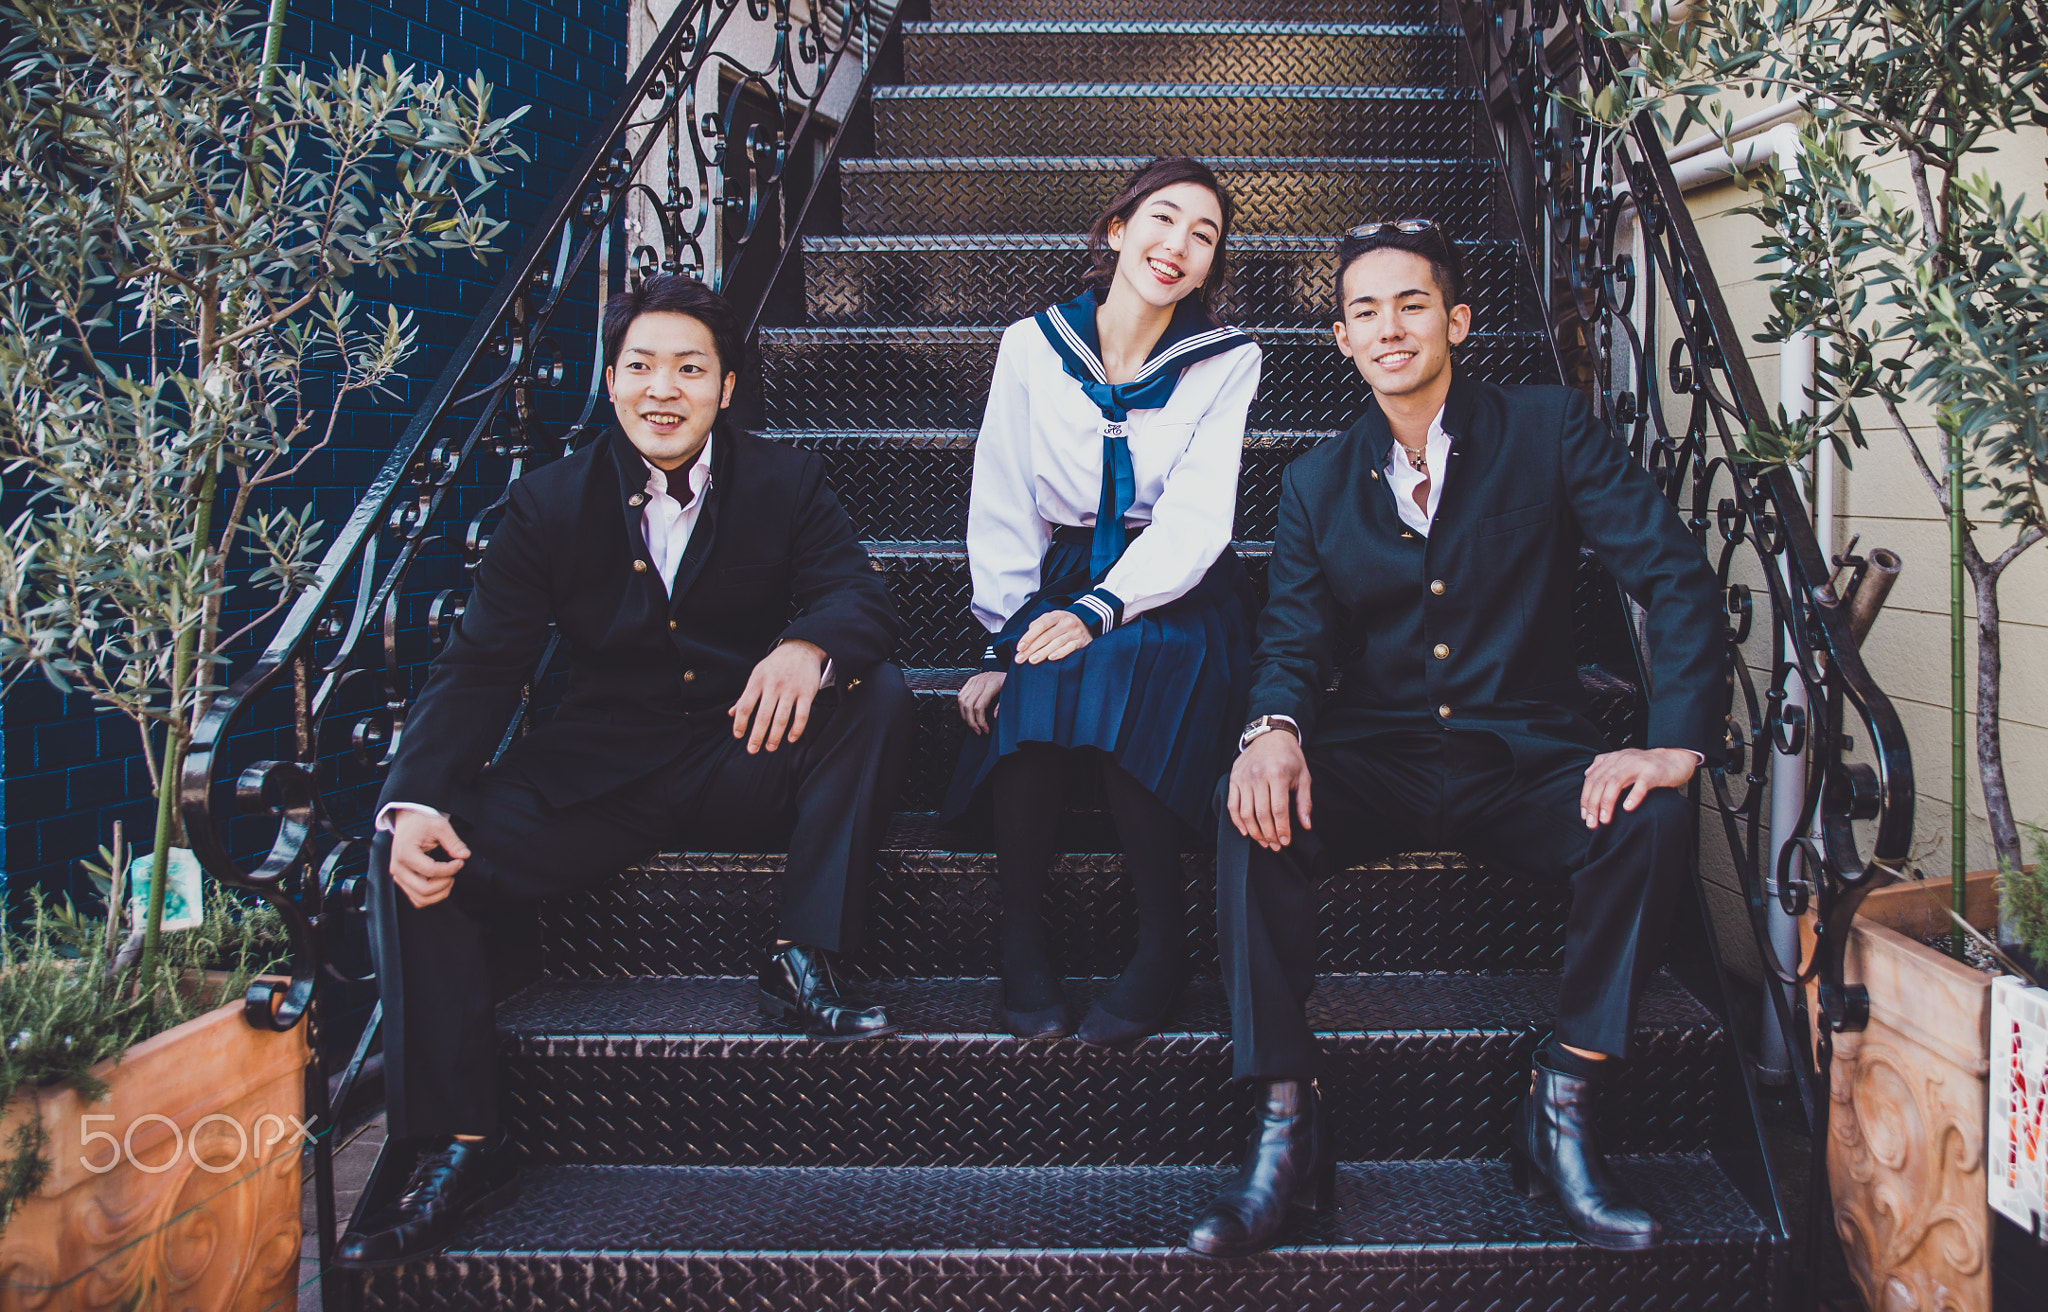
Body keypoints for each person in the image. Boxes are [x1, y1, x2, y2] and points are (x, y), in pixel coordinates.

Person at [339, 275, 911, 1266]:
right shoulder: (547, 502)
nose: (663, 388)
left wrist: (805, 646)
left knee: (879, 688)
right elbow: (479, 665)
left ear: (726, 387)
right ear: (609, 382)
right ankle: (456, 1139)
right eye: (641, 366)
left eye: (689, 368)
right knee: (411, 842)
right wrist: (418, 792)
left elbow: (859, 597)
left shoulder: (786, 480)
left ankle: (804, 950)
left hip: (745, 761)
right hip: (593, 783)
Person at [1186, 221, 1723, 1259]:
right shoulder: (1311, 483)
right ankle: (1286, 1125)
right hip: (1378, 757)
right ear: (1340, 340)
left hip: (1523, 760)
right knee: (1244, 807)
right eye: (1363, 313)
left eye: (1411, 304)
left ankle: (1560, 1099)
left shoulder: (1547, 428)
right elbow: (1291, 641)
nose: (1388, 328)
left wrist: (1675, 744)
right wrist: (1271, 730)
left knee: (1651, 817)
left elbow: (1672, 577)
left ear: (1456, 320)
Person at [947, 156, 1261, 1044]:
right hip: (1066, 566)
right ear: (1119, 231)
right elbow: (1003, 499)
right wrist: (1002, 643)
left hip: (1175, 578)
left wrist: (1101, 610)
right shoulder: (1031, 345)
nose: (1179, 244)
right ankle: (1020, 939)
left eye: (1204, 236)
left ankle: (1163, 947)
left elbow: (1200, 518)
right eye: (1164, 220)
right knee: (1041, 667)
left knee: (1135, 657)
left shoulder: (1228, 361)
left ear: (1208, 268)